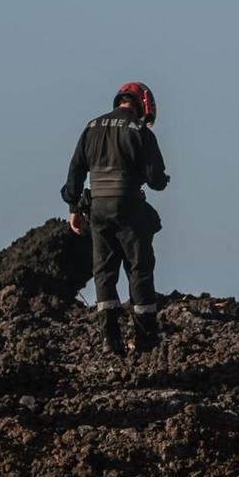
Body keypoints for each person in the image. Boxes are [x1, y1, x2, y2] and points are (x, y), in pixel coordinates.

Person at [62, 81, 169, 355]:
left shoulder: (91, 127)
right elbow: (156, 179)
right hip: (129, 207)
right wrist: (160, 180)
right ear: (144, 105)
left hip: (97, 208)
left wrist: (74, 208)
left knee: (104, 273)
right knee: (139, 269)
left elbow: (75, 170)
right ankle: (145, 339)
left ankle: (110, 341)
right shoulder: (139, 131)